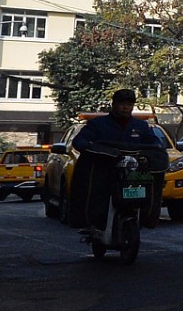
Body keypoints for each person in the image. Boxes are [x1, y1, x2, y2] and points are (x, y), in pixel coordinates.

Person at [67, 89, 166, 228]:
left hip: (131, 174)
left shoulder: (141, 126)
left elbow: (155, 144)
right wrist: (96, 150)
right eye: (122, 104)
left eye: (129, 104)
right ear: (113, 104)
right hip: (104, 173)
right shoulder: (98, 124)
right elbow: (80, 141)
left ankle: (144, 219)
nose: (126, 107)